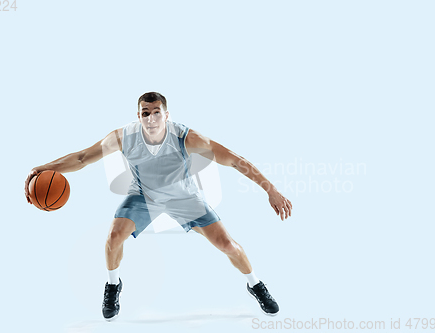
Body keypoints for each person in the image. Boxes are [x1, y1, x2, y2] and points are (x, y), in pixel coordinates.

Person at [24, 92, 292, 321]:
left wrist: (271, 190)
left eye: (156, 112)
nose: (151, 118)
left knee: (227, 245)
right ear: (138, 116)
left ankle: (256, 285)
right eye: (145, 113)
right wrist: (45, 168)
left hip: (184, 197)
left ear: (167, 115)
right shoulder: (123, 137)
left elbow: (234, 160)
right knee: (113, 237)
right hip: (144, 196)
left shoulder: (187, 137)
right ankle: (113, 284)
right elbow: (83, 158)